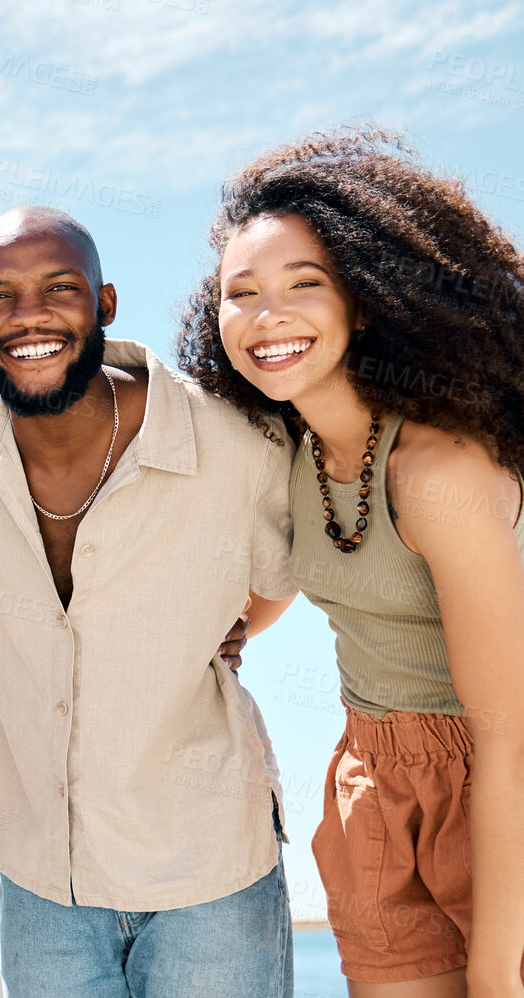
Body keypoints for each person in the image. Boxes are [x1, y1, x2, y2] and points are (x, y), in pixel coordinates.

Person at [0, 205, 299, 997]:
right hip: (42, 873)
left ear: (106, 303)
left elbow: (278, 577)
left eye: (60, 287)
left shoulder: (234, 440)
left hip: (208, 865)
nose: (29, 316)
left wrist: (214, 628)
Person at [181, 130, 524, 997]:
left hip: (497, 787)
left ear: (365, 301)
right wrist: (230, 631)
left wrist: (497, 968)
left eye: (305, 285)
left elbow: (506, 732)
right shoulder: (285, 445)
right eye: (241, 294)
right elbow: (308, 564)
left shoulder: (440, 471)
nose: (269, 317)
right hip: (372, 781)